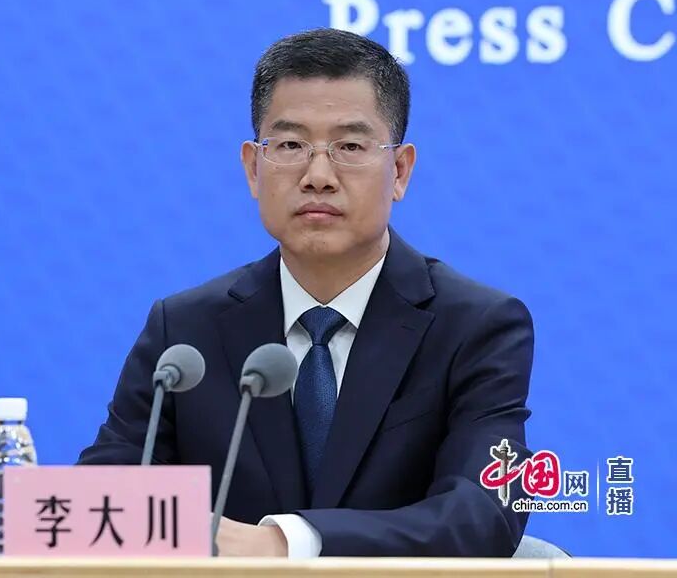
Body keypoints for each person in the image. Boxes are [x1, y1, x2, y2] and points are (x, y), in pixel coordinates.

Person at [78, 28, 534, 558]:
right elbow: (99, 507)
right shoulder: (183, 332)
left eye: (350, 147)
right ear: (253, 168)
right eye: (291, 146)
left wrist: (286, 541)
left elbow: (485, 514)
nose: (318, 176)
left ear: (400, 171)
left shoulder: (476, 326)